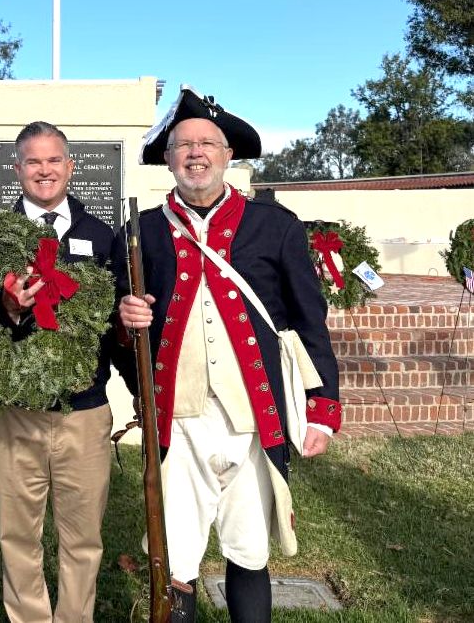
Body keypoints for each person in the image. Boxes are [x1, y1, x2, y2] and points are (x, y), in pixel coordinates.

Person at [116, 87, 341, 623]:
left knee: (249, 549)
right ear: (168, 158)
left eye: (207, 144)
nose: (195, 153)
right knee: (177, 558)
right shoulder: (143, 230)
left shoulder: (275, 225)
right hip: (179, 421)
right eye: (183, 145)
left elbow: (309, 320)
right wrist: (126, 322)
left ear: (227, 154)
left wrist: (322, 408)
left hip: (254, 418)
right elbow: (120, 330)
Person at [0, 120, 134, 623]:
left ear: (70, 167)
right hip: (15, 413)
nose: (44, 170)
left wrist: (143, 388)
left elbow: (117, 326)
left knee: (83, 536)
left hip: (84, 413)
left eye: (53, 160)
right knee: (18, 533)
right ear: (17, 169)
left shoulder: (103, 237)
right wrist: (6, 309)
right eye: (33, 161)